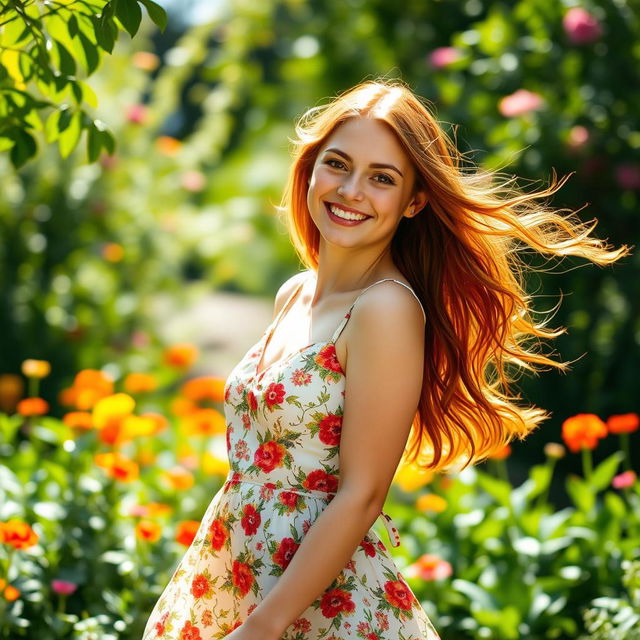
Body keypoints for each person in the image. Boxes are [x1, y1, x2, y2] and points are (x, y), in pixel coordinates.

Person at [142, 78, 630, 640]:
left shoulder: (386, 310)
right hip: (237, 575)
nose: (351, 190)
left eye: (382, 178)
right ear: (310, 169)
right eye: (337, 164)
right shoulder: (294, 294)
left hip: (319, 609)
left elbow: (363, 493)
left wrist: (264, 626)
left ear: (414, 200)